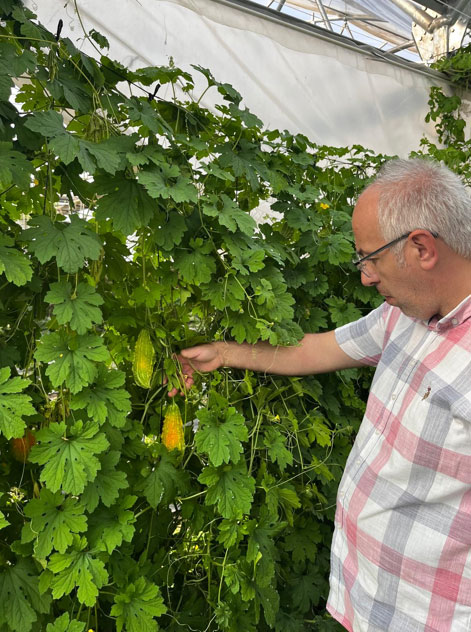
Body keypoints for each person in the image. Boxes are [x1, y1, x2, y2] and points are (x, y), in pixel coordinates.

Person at [171, 158, 471, 632]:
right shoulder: (406, 314)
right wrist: (224, 353)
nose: (365, 277)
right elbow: (313, 351)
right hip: (368, 595)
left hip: (429, 616)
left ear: (421, 248)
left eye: (370, 258)